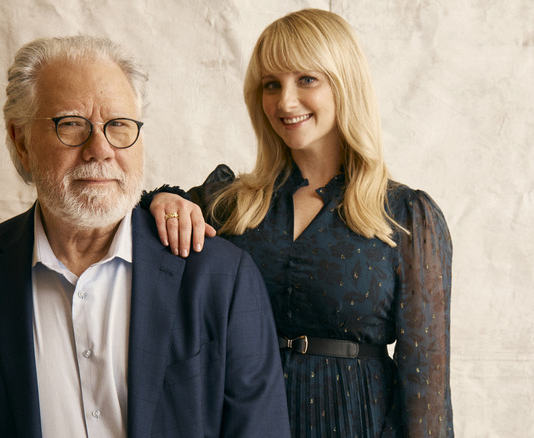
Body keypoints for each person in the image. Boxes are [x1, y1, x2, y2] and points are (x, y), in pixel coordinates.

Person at [0, 35, 290, 438]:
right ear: (21, 142)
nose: (98, 149)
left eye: (118, 125)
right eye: (70, 125)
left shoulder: (221, 277)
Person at [145, 9, 453, 437]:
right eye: (271, 84)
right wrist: (164, 200)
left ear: (344, 85)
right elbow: (137, 241)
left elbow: (427, 389)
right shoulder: (232, 204)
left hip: (356, 424)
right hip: (243, 420)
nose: (285, 102)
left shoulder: (403, 216)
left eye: (307, 79)